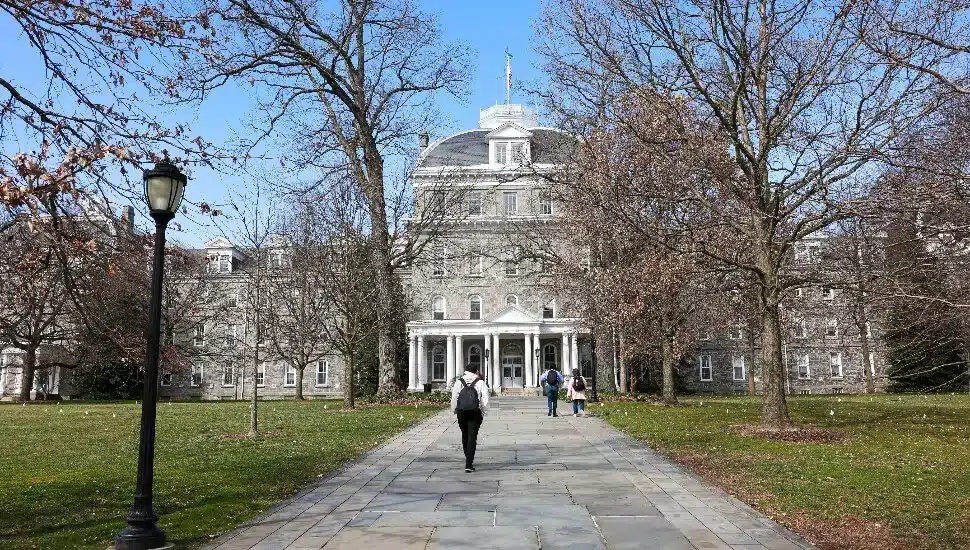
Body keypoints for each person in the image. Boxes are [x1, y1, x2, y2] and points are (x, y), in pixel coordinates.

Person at [450, 363, 490, 472]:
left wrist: (454, 409)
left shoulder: (459, 382)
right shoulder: (480, 382)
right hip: (475, 412)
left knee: (465, 434)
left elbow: (454, 397)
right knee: (472, 436)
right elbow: (485, 399)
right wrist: (484, 412)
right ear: (476, 371)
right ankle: (469, 464)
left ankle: (467, 456)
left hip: (461, 412)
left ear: (466, 371)